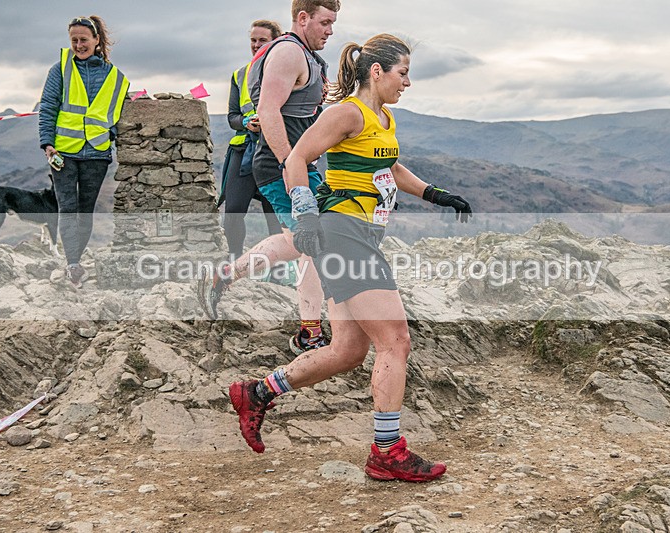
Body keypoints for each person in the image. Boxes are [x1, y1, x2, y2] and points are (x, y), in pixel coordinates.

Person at [228, 34, 472, 482]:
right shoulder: (345, 113)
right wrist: (305, 213)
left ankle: (257, 392)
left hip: (363, 235)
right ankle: (387, 451)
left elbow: (389, 167)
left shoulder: (383, 117)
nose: (407, 82)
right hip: (343, 234)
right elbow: (297, 159)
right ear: (376, 72)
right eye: (402, 73)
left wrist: (436, 194)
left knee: (346, 351)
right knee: (395, 340)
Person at [198, 0, 340, 356]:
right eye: (325, 22)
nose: (330, 31)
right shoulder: (288, 52)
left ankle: (225, 275)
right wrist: (290, 165)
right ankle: (309, 333)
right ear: (303, 18)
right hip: (282, 164)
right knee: (313, 240)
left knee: (296, 240)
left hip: (297, 163)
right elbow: (267, 110)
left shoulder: (306, 55)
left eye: (333, 23)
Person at [39, 15, 129, 288]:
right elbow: (48, 107)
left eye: (83, 39)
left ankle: (74, 259)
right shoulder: (60, 69)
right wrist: (47, 143)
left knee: (85, 210)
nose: (79, 45)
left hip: (97, 153)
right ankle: (73, 264)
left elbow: (119, 113)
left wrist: (111, 135)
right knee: (67, 208)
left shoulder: (115, 76)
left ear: (96, 40)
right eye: (74, 40)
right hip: (63, 153)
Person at [219, 20, 283, 257]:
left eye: (262, 40)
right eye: (253, 40)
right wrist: (246, 122)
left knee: (275, 216)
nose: (256, 45)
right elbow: (232, 117)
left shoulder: (287, 72)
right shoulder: (239, 75)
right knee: (233, 211)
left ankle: (278, 268)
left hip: (275, 152)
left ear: (275, 42)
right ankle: (235, 260)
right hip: (244, 150)